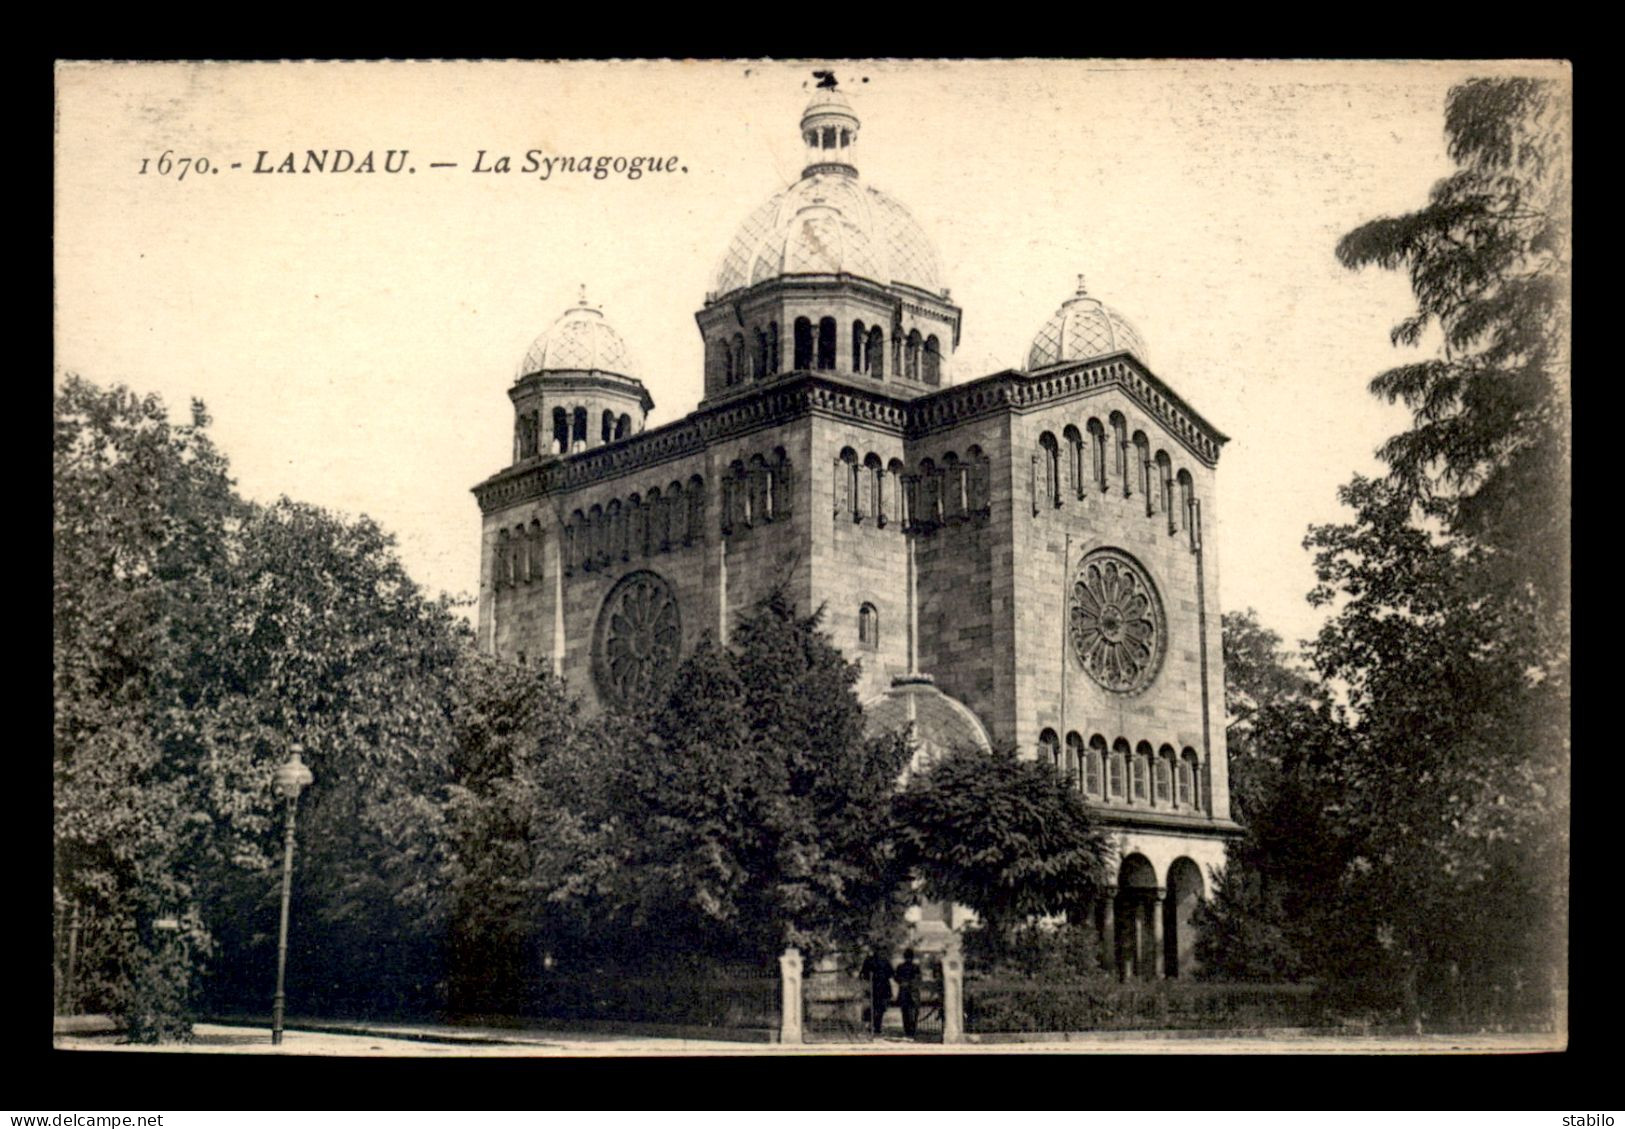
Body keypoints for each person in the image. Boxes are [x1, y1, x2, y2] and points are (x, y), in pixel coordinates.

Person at [858, 950, 893, 1036]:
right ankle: (877, 1027)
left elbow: (863, 974)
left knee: (873, 1007)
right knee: (879, 1009)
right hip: (883, 988)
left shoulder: (869, 960)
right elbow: (891, 973)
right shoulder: (884, 960)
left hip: (873, 987)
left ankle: (873, 1026)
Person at [894, 947, 922, 1038]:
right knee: (913, 1012)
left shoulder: (900, 967)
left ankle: (908, 1031)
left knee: (905, 1013)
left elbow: (896, 978)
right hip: (913, 992)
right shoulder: (915, 967)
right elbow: (919, 979)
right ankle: (912, 1031)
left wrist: (903, 982)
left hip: (904, 992)